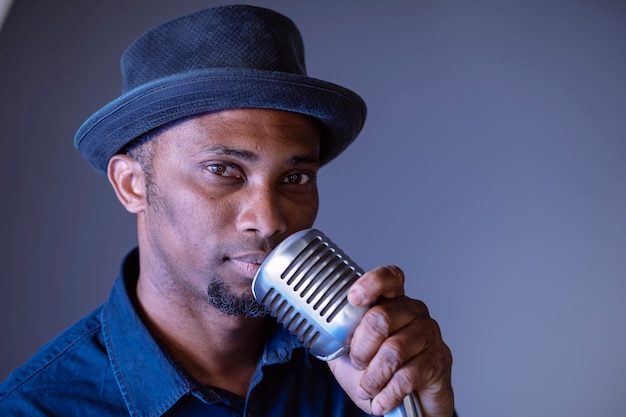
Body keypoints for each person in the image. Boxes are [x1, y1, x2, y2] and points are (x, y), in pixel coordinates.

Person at [0, 5, 455, 416]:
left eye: (295, 178)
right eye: (224, 170)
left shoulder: (364, 370)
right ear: (132, 183)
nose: (270, 219)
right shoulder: (39, 408)